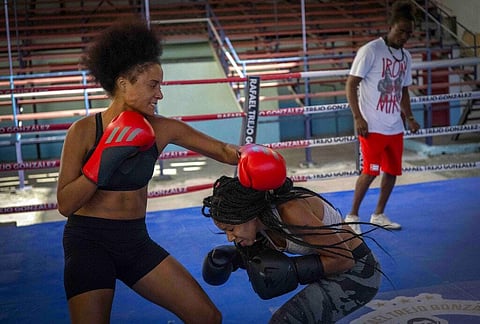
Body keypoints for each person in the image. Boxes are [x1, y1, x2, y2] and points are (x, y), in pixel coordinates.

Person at [55, 18, 272, 323]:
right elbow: (65, 204)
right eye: (152, 85)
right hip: (87, 242)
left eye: (161, 85)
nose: (160, 94)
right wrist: (102, 158)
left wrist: (258, 156)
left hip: (134, 241)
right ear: (122, 83)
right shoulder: (84, 130)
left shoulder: (162, 129)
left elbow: (224, 151)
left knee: (206, 317)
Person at [201, 175, 382, 323]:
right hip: (330, 267)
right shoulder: (257, 226)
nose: (230, 237)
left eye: (231, 229)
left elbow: (344, 258)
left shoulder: (290, 211)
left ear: (249, 214)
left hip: (359, 271)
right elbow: (264, 258)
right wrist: (234, 258)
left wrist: (293, 270)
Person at [344, 0, 421, 234]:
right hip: (372, 126)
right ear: (391, 26)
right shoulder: (371, 50)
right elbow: (351, 83)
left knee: (392, 171)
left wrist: (409, 117)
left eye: (408, 33)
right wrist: (358, 117)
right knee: (369, 172)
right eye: (400, 31)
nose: (404, 37)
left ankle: (378, 214)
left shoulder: (405, 56)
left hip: (394, 127)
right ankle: (352, 216)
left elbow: (404, 89)